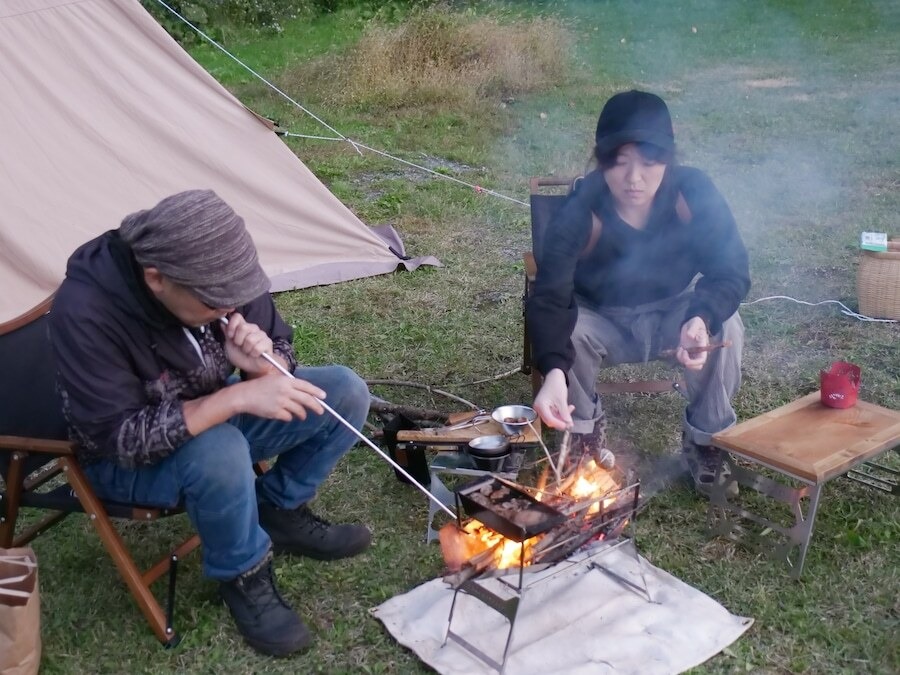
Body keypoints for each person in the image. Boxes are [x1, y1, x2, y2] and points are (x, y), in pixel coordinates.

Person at [48, 189, 372, 656]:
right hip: (122, 462)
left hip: (212, 418)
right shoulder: (86, 311)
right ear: (157, 279)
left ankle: (278, 511)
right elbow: (122, 440)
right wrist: (237, 395)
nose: (230, 308)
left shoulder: (219, 266)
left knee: (342, 391)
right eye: (215, 303)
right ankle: (244, 575)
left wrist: (263, 364)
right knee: (221, 449)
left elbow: (280, 345)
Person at [526, 90, 750, 495]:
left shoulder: (692, 192)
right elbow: (551, 294)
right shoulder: (581, 209)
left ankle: (707, 443)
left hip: (673, 314)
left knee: (725, 325)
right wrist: (554, 370)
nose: (634, 178)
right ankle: (581, 442)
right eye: (620, 161)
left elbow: (730, 268)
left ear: (668, 159)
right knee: (570, 331)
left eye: (649, 162)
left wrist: (699, 318)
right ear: (601, 160)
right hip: (601, 318)